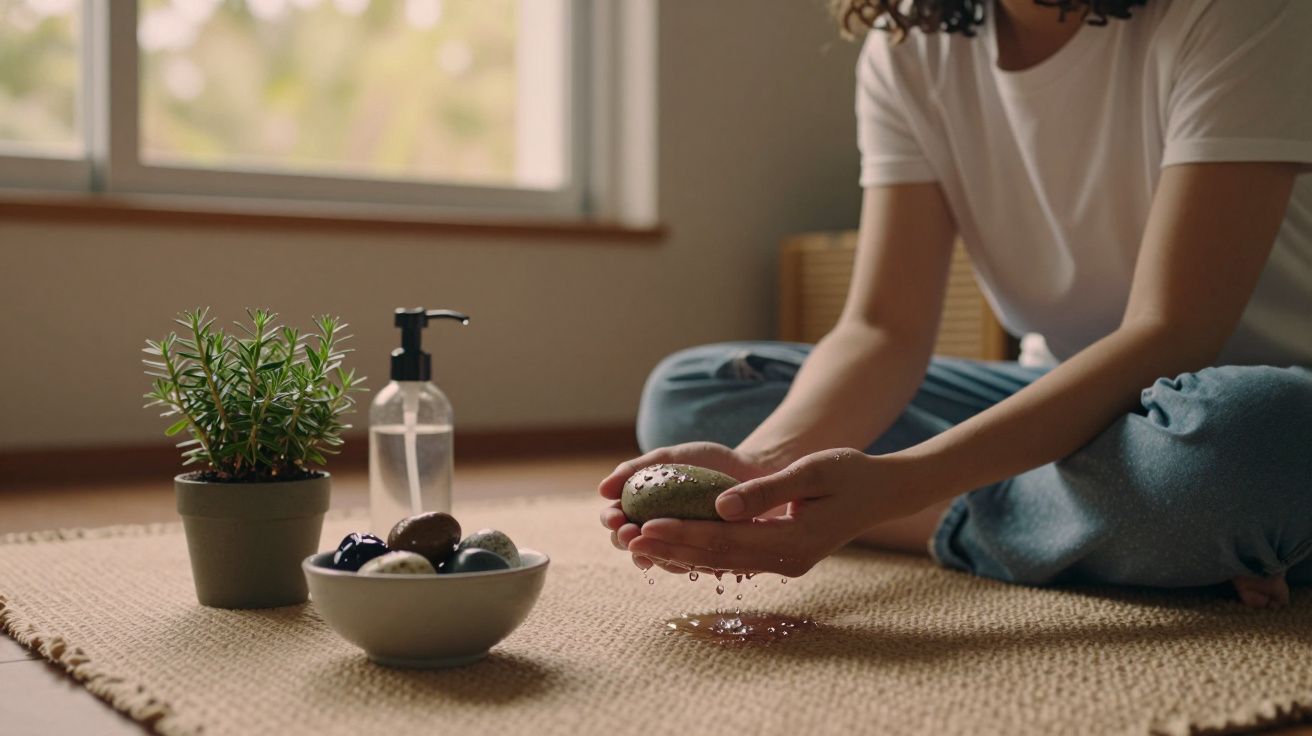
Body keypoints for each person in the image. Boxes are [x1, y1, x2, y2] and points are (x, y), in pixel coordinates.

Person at [598, 0, 1312, 608]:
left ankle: (1142, 524)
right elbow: (883, 328)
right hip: (1056, 389)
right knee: (696, 390)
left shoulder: (1240, 10)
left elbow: (1172, 331)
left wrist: (905, 485)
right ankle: (1143, 535)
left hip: (1228, 402)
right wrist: (761, 470)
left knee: (1263, 446)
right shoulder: (908, 49)